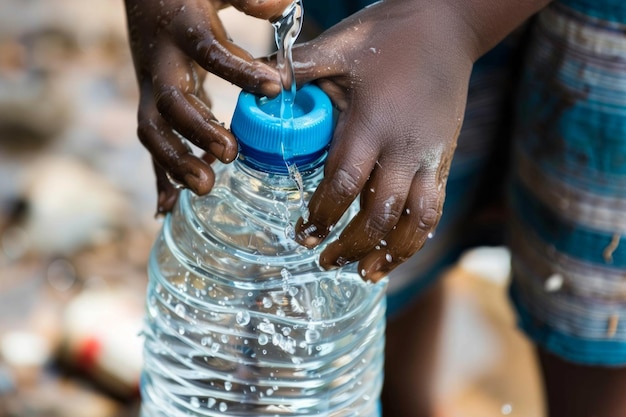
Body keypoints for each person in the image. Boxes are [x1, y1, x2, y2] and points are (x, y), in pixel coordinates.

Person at [123, 0, 626, 416]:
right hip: (369, 13)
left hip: (603, 35)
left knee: (591, 309)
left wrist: (454, 20)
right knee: (373, 230)